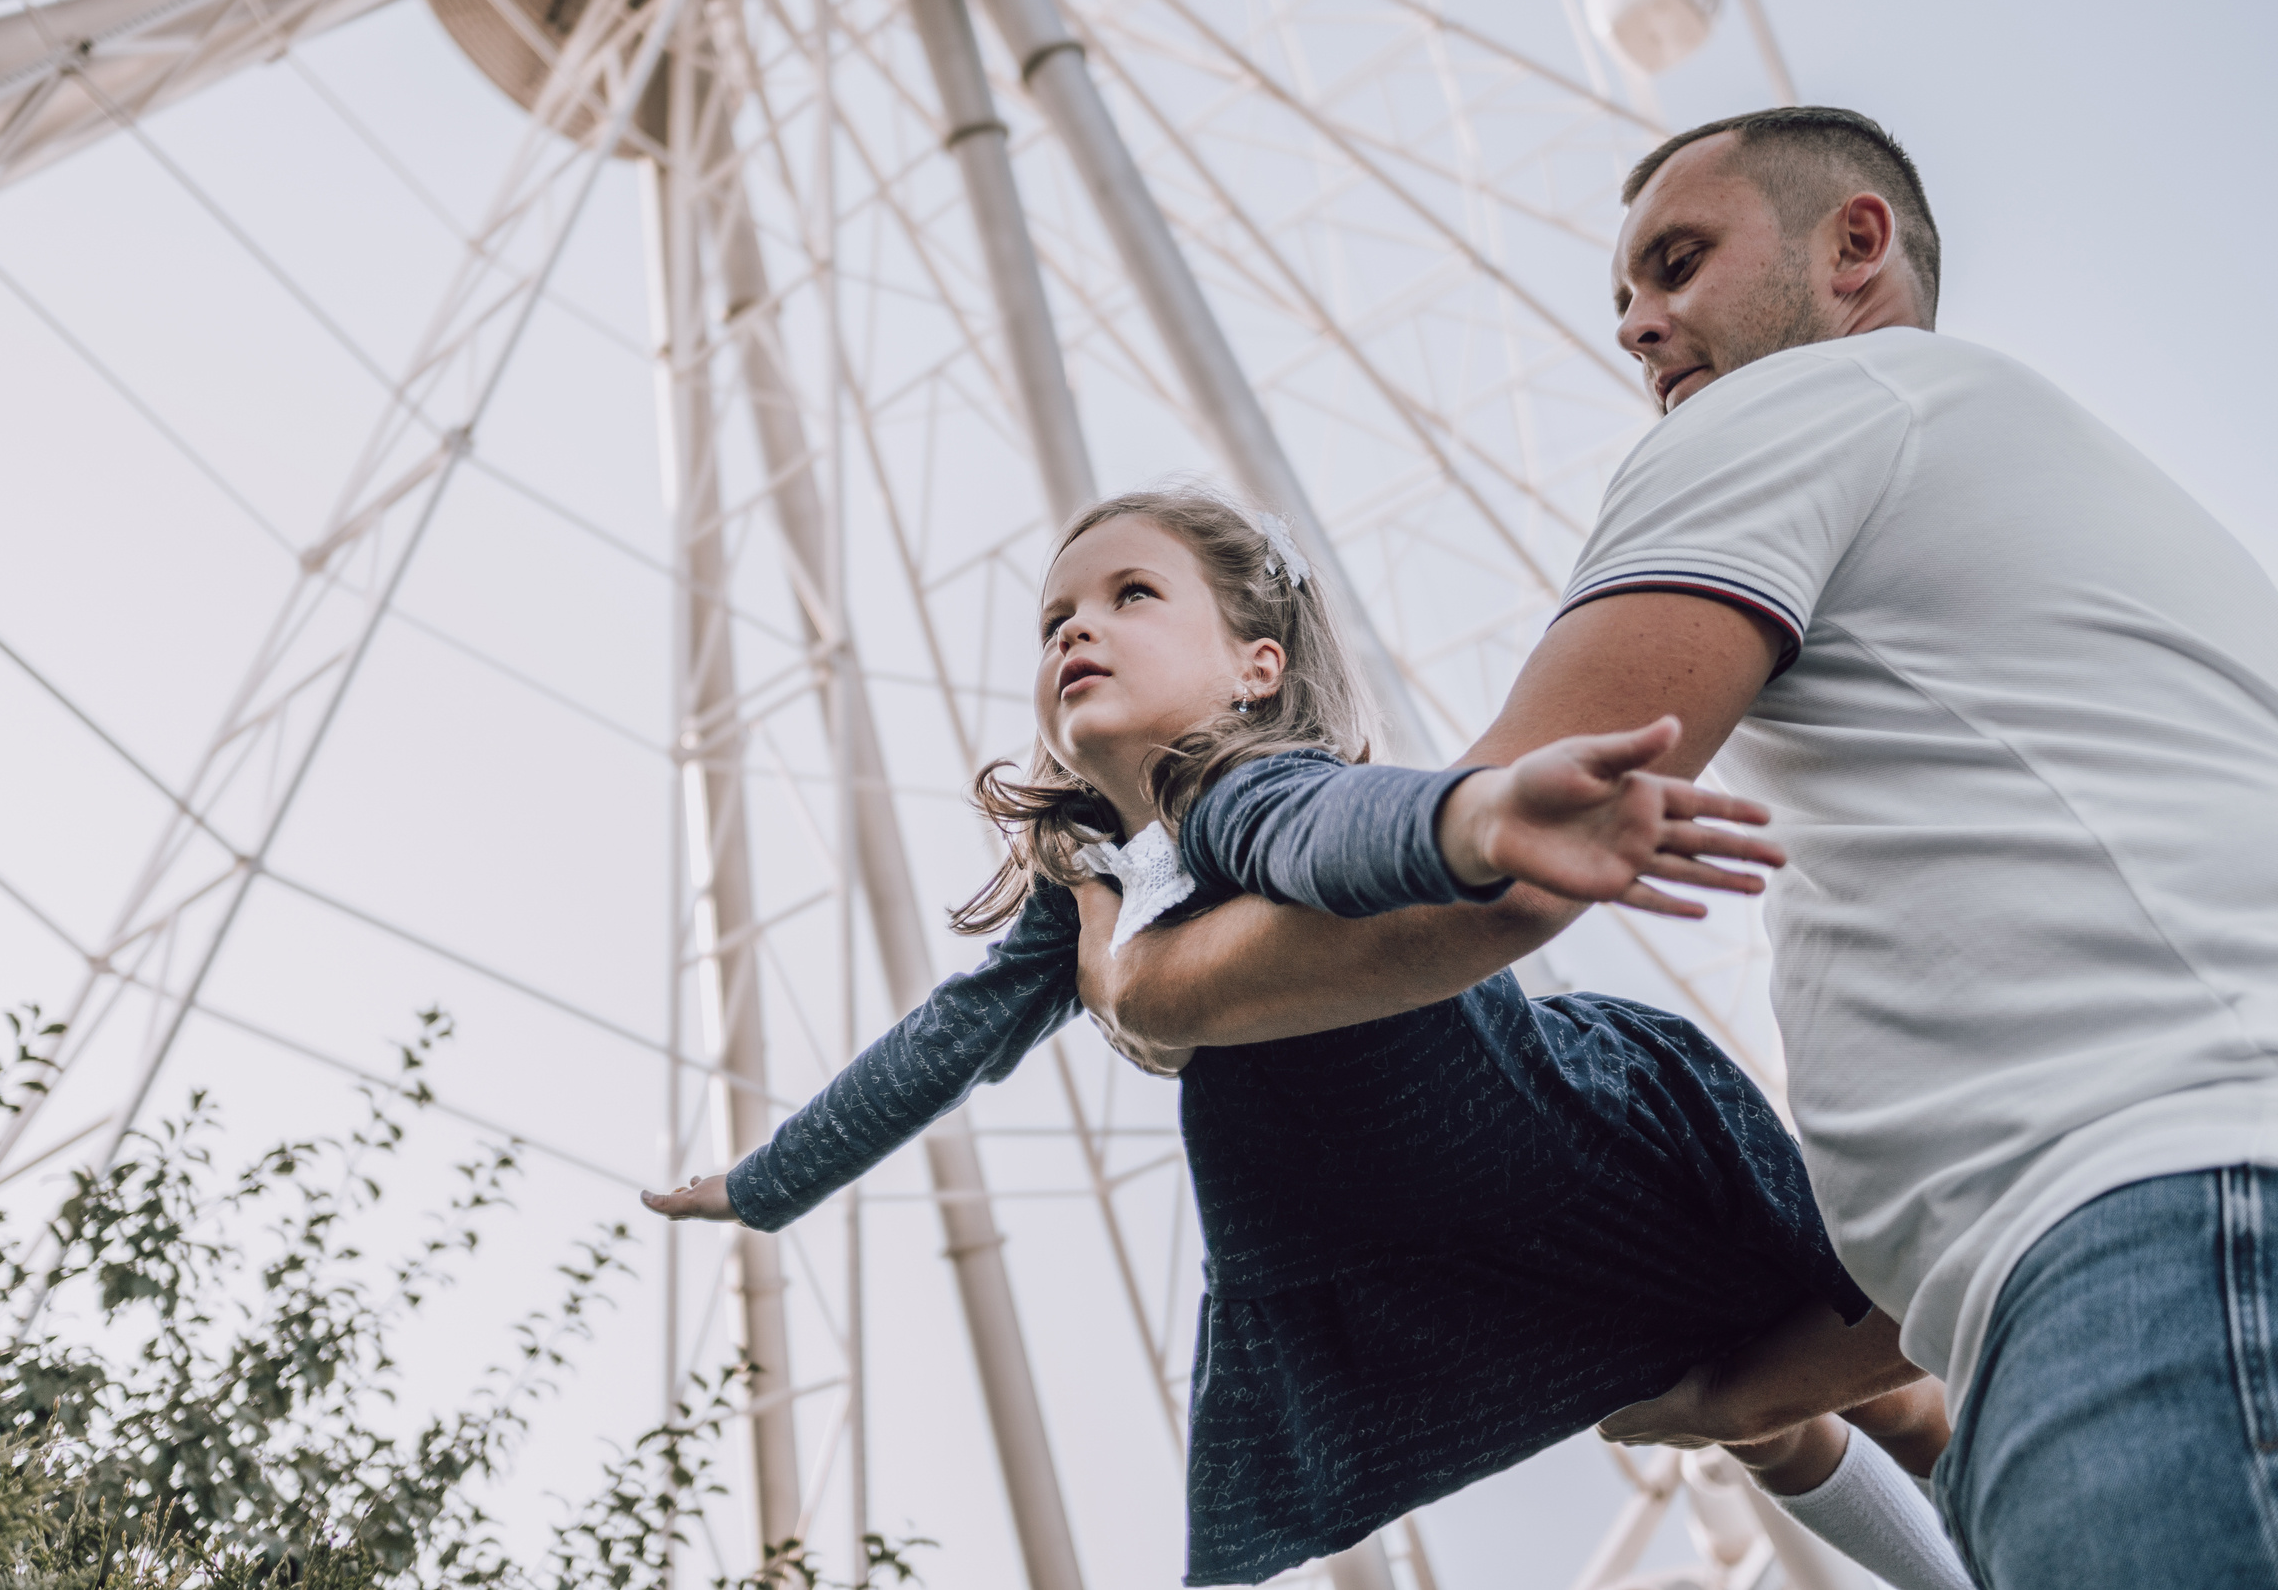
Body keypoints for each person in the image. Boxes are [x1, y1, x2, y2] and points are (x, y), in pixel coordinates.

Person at [1086, 108, 2278, 1588]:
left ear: (1855, 246)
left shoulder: (1795, 408)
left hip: (2176, 1235)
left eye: (1679, 263)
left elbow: (1499, 875)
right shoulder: (2039, 490)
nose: (1643, 328)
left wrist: (1148, 984)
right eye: (1623, 301)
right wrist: (1740, 1394)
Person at [644, 487, 1967, 1590]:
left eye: (1130, 596)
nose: (1075, 632)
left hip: (1566, 1157)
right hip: (1387, 1251)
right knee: (1771, 1412)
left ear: (1255, 668)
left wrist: (1476, 822)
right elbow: (953, 1040)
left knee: (1867, 1383)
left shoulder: (1236, 789)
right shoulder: (1095, 876)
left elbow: (1331, 833)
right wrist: (765, 1186)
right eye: (1053, 620)